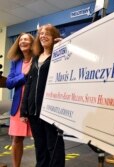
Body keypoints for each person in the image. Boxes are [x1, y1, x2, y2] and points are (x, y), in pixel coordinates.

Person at [20, 24, 65, 167]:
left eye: (47, 34)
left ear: (53, 37)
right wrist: (24, 110)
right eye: (41, 33)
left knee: (54, 147)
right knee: (40, 147)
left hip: (50, 111)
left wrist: (63, 48)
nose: (43, 36)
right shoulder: (35, 58)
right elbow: (28, 85)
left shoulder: (58, 57)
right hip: (34, 112)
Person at [6, 33, 34, 167]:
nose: (23, 41)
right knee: (16, 139)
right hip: (18, 107)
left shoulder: (38, 59)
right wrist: (23, 76)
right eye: (21, 40)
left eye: (26, 39)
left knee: (40, 139)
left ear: (32, 43)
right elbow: (9, 83)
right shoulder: (15, 62)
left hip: (34, 105)